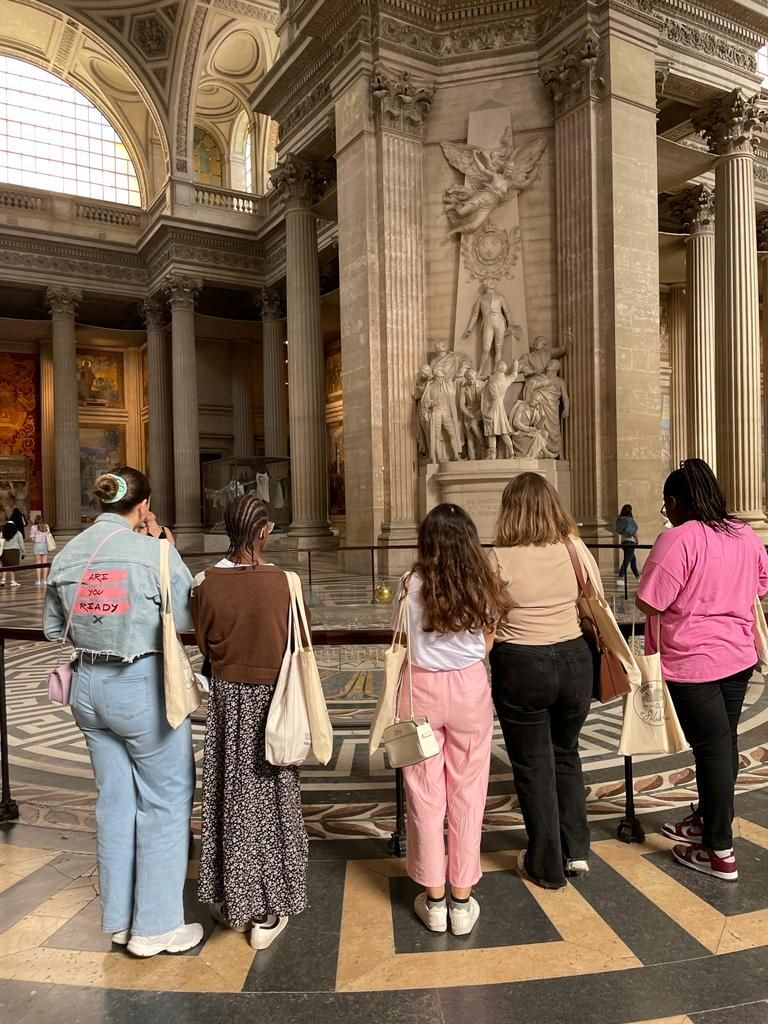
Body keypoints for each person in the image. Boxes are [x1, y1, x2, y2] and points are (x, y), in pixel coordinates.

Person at [44, 466, 201, 957]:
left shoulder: (69, 552)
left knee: (114, 803)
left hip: (87, 688)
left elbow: (54, 629)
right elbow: (189, 616)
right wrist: (165, 547)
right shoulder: (153, 551)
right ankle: (155, 927)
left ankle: (118, 921)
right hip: (139, 686)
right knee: (165, 800)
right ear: (142, 506)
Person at [636, 458, 768, 882]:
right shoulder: (745, 533)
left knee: (711, 750)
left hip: (693, 662)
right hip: (739, 656)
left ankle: (719, 850)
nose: (665, 513)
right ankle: (706, 820)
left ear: (675, 502)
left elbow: (649, 601)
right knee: (722, 743)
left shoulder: (678, 540)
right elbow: (761, 585)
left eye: (665, 505)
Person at [192, 495, 309, 951]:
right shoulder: (285, 582)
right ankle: (267, 906)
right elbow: (300, 638)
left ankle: (233, 896)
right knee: (272, 797)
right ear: (263, 533)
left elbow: (203, 640)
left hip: (227, 704)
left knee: (230, 796)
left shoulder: (206, 583)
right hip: (274, 702)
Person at [394, 503, 511, 936]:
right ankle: (462, 900)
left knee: (424, 794)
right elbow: (487, 643)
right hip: (468, 689)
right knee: (468, 791)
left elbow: (401, 640)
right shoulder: (483, 583)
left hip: (420, 689)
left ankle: (435, 898)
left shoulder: (411, 583)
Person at [489, 473, 596, 890]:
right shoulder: (574, 547)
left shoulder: (498, 558)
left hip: (523, 664)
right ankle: (577, 851)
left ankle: (546, 864)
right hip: (574, 662)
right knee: (566, 752)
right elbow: (596, 598)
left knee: (534, 766)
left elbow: (488, 621)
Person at [616, 504, 640, 580]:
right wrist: (637, 541)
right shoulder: (630, 520)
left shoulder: (620, 520)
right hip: (631, 542)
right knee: (627, 560)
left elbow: (619, 531)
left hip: (623, 542)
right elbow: (634, 533)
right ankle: (621, 576)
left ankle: (638, 577)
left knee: (633, 560)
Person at [0, 520, 25, 586]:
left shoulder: (3, 533)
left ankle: (3, 580)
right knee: (13, 567)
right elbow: (21, 543)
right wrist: (23, 552)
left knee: (5, 566)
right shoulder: (18, 533)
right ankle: (13, 581)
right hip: (14, 551)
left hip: (5, 551)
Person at [30, 515, 52, 585]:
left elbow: (32, 538)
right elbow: (48, 535)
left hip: (37, 545)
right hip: (45, 545)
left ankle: (39, 580)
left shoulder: (33, 527)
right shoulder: (46, 526)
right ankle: (45, 580)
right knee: (45, 563)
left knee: (38, 563)